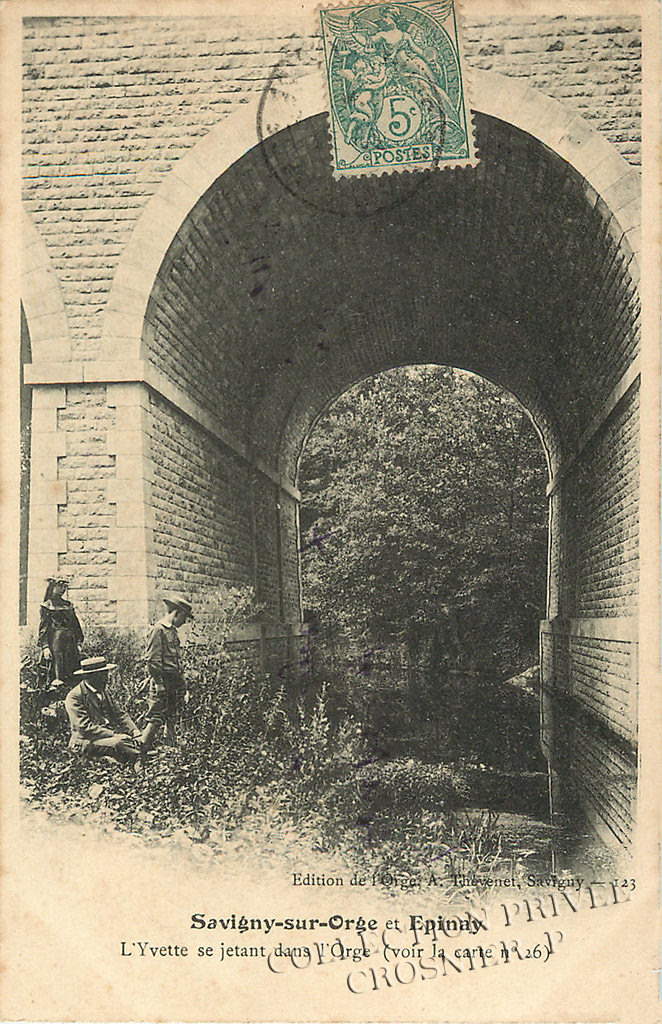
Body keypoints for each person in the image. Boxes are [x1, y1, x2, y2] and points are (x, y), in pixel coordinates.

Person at [65, 656, 143, 770]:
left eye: (106, 674)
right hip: (85, 742)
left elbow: (120, 714)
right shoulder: (75, 696)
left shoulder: (103, 691)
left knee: (130, 739)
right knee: (119, 743)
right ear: (89, 677)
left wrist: (135, 731)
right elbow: (84, 727)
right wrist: (114, 735)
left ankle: (137, 754)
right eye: (101, 675)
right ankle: (141, 757)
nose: (106, 678)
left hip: (103, 738)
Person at [141, 592, 193, 750]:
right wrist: (158, 683)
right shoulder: (158, 630)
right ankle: (139, 752)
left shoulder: (172, 630)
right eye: (184, 617)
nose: (184, 622)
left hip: (174, 681)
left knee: (172, 714)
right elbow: (152, 659)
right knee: (156, 718)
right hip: (163, 681)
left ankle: (169, 748)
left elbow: (176, 659)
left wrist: (182, 683)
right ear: (177, 613)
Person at [38, 577, 84, 685]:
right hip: (56, 644)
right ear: (52, 587)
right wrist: (45, 647)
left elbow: (75, 625)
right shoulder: (47, 606)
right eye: (60, 586)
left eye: (64, 587)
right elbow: (43, 628)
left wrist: (79, 642)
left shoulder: (68, 605)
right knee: (57, 670)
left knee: (73, 669)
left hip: (71, 643)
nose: (63, 589)